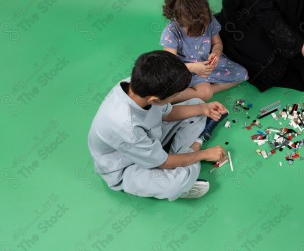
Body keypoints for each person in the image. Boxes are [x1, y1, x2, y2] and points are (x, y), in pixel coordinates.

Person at [88, 50, 229, 200]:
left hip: (151, 139)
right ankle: (193, 153)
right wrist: (204, 154)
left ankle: (188, 158)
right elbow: (165, 163)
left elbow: (167, 114)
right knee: (174, 185)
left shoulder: (138, 83)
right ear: (154, 100)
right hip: (125, 166)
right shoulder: (126, 125)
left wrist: (203, 109)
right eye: (175, 95)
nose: (176, 97)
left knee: (197, 105)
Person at [160, 0, 248, 104]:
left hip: (206, 64)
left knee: (242, 74)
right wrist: (193, 67)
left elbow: (217, 43)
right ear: (178, 21)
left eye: (203, 28)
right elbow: (171, 65)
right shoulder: (172, 31)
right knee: (205, 93)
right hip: (184, 69)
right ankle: (175, 96)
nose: (201, 33)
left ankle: (194, 91)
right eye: (192, 30)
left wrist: (216, 53)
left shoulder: (209, 20)